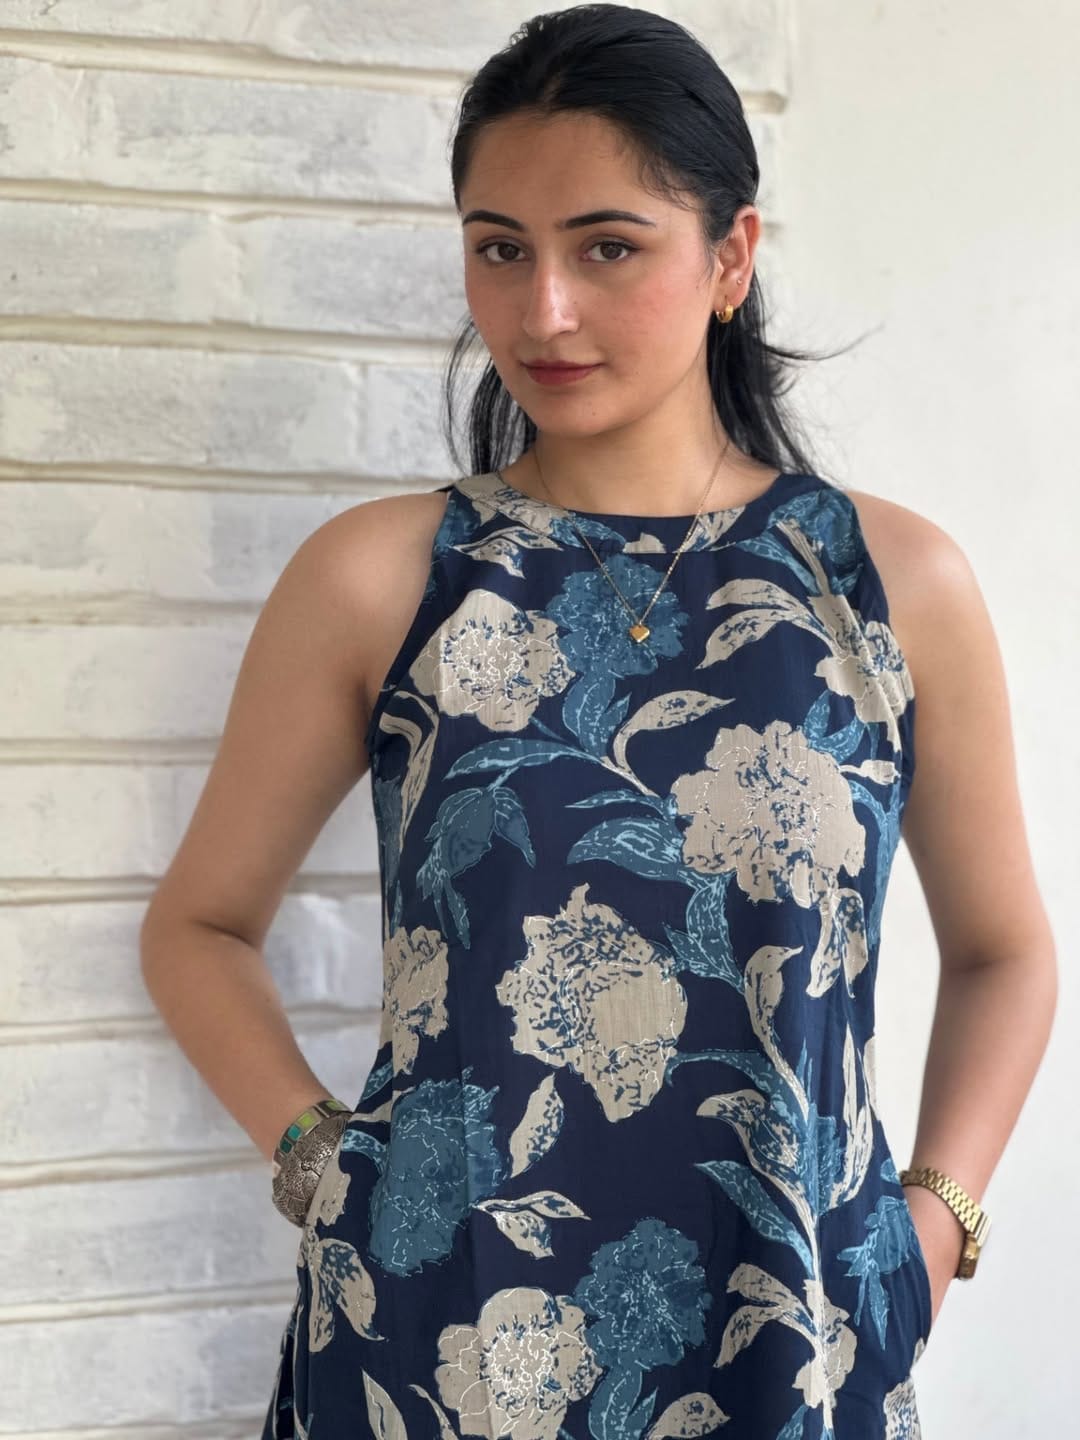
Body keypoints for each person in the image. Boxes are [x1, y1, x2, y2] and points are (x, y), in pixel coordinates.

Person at [140, 6, 1057, 1438]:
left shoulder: (888, 586)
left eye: (607, 247)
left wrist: (927, 1237)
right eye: (500, 247)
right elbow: (197, 927)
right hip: (439, 1347)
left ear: (731, 257)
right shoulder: (384, 580)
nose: (543, 311)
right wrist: (332, 1174)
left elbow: (1007, 953)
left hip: (789, 1342)